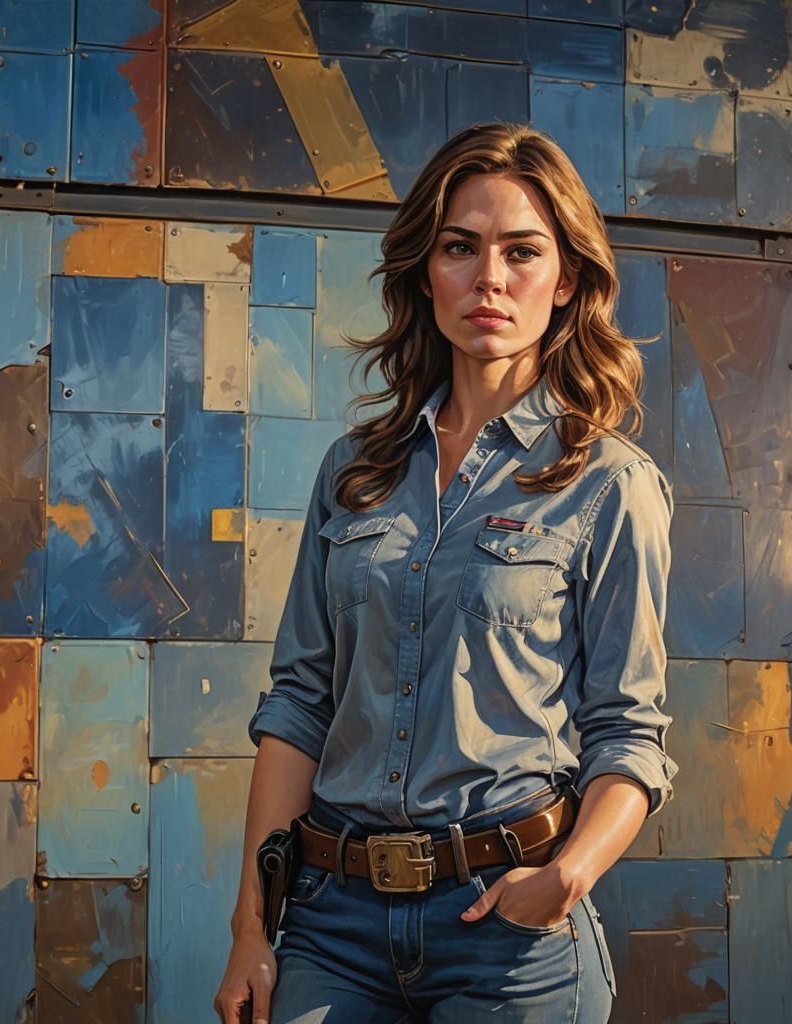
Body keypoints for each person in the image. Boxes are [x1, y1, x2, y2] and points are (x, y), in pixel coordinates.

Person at [214, 121, 678, 1024]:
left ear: (567, 279)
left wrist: (568, 875)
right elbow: (300, 703)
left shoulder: (610, 485)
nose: (490, 279)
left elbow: (630, 730)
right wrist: (250, 927)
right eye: (461, 248)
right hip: (331, 924)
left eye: (523, 252)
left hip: (509, 932)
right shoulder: (356, 473)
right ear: (426, 273)